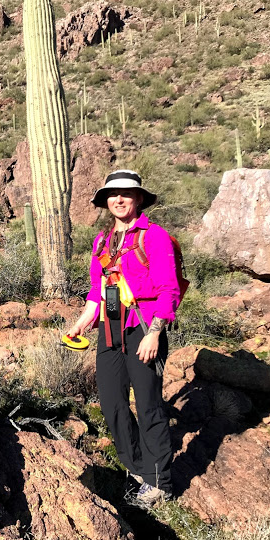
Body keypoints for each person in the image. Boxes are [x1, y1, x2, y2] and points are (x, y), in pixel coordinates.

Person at [67, 170, 180, 506]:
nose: (119, 199)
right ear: (105, 201)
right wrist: (81, 322)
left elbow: (168, 290)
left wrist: (156, 334)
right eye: (112, 194)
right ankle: (137, 468)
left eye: (126, 194)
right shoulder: (102, 242)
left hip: (145, 327)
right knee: (112, 404)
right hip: (111, 328)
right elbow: (96, 292)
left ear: (139, 199)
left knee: (148, 406)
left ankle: (160, 483)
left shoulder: (153, 236)